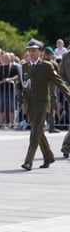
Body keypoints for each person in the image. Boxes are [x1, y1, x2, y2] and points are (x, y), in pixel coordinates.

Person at [19, 40, 70, 170]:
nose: (31, 53)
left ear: (40, 52)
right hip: (29, 104)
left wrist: (69, 96)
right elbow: (21, 85)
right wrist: (18, 95)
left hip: (42, 104)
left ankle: (28, 161)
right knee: (39, 132)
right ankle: (48, 156)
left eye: (34, 50)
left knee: (35, 133)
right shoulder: (24, 66)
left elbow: (59, 82)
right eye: (29, 50)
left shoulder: (47, 66)